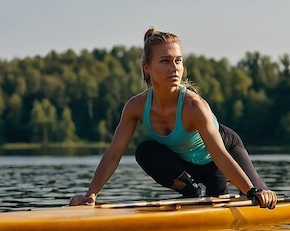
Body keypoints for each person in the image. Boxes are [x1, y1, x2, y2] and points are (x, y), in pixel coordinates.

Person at [69, 27, 277, 209]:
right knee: (145, 151)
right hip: (185, 164)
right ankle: (191, 192)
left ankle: (248, 193)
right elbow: (113, 154)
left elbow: (220, 155)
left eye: (178, 61)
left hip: (221, 157)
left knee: (262, 200)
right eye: (165, 61)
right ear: (146, 67)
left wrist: (251, 191)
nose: (174, 68)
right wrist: (91, 195)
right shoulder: (136, 107)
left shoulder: (193, 106)